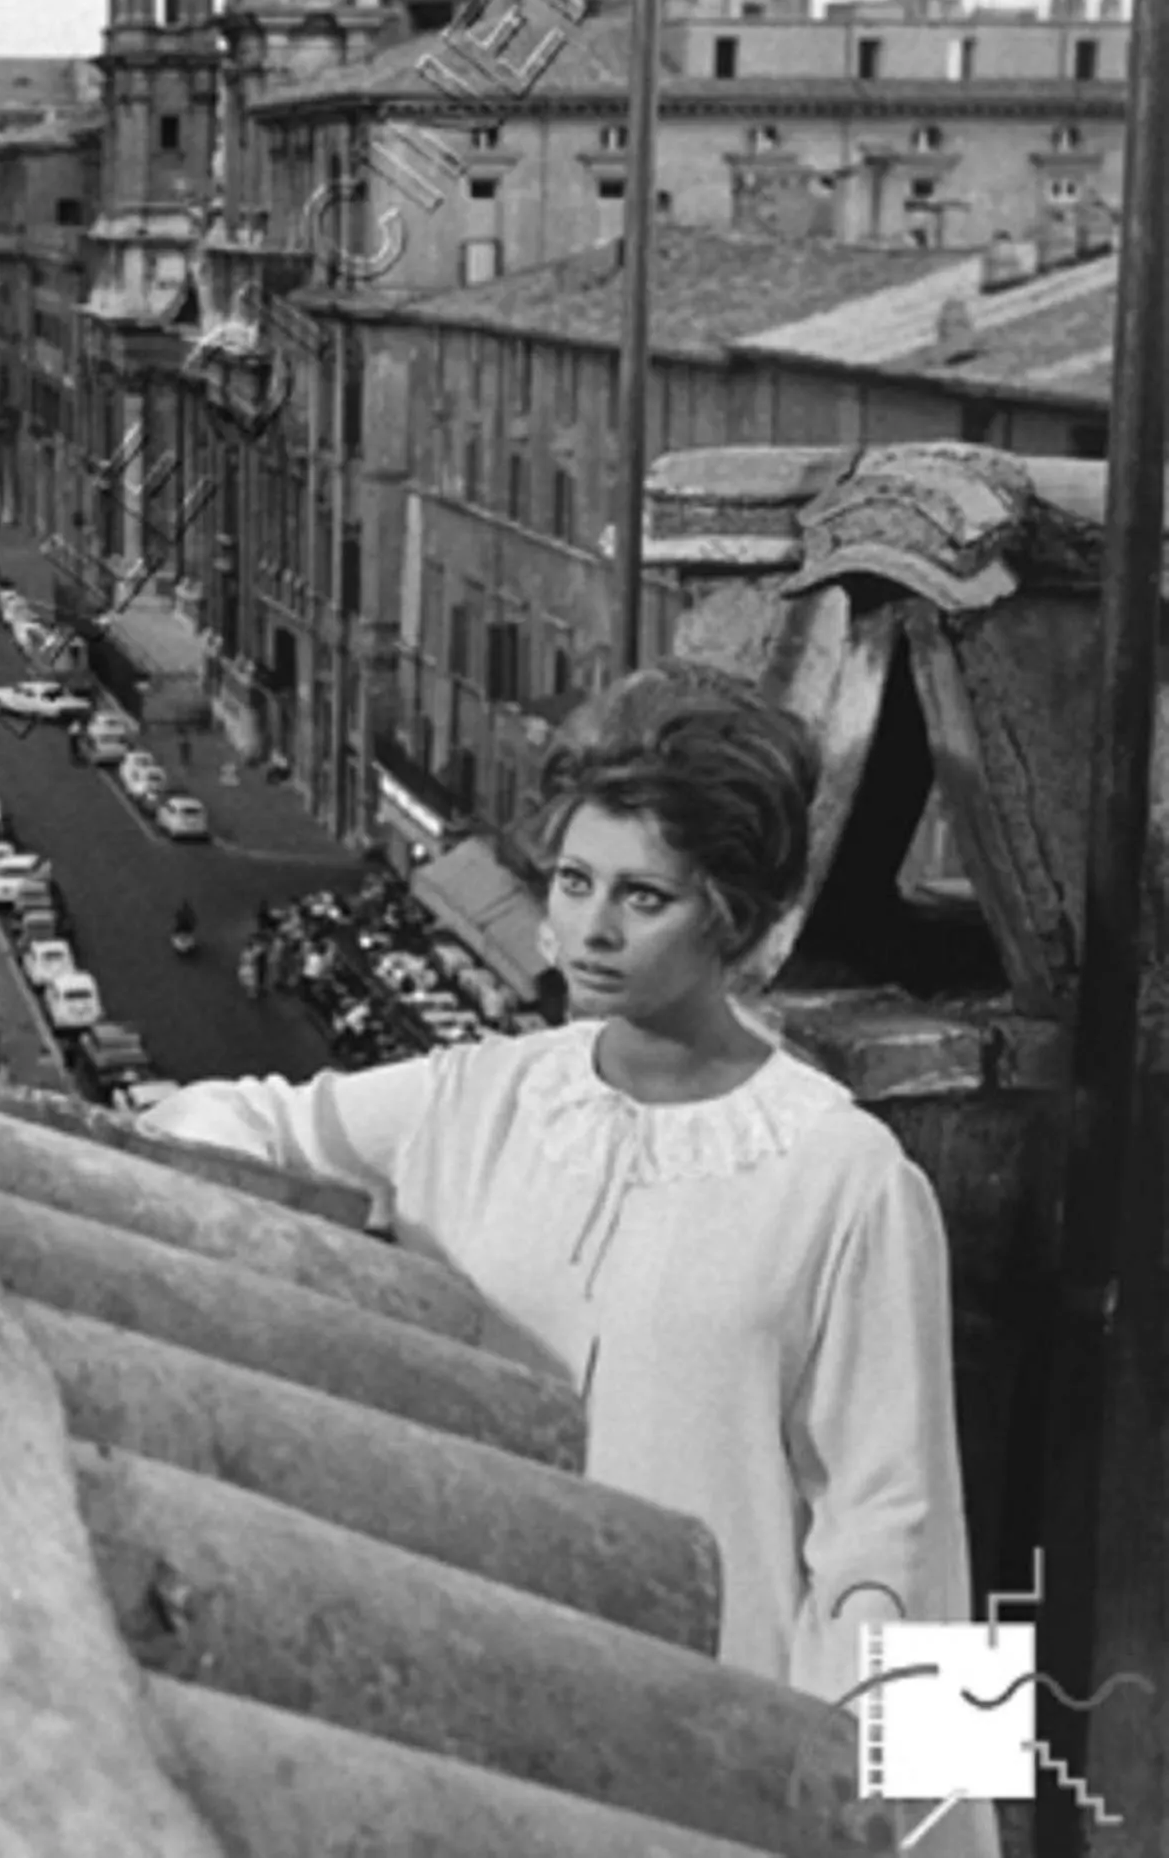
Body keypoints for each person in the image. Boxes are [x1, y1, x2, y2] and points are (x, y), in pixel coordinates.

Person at [138, 666, 992, 1858]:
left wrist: (899, 1826)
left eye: (642, 896)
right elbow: (246, 1123)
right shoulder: (475, 1098)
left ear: (731, 918)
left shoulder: (842, 1175)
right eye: (574, 882)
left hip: (719, 1739)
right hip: (477, 1694)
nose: (589, 929)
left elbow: (895, 1529)